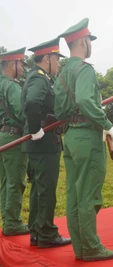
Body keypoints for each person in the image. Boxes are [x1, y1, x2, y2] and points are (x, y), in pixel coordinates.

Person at [53, 18, 113, 262]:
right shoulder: (84, 69)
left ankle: (81, 248)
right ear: (82, 41)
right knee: (89, 193)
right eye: (89, 40)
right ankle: (91, 247)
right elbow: (84, 100)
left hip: (69, 136)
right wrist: (107, 124)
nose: (90, 45)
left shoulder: (61, 73)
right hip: (87, 136)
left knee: (74, 193)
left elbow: (60, 110)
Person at [21, 38, 71, 248]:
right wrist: (36, 130)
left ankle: (36, 231)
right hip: (44, 143)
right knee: (46, 189)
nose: (58, 63)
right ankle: (47, 234)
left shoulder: (38, 78)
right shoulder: (39, 80)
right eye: (56, 59)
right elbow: (33, 102)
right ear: (48, 58)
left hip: (40, 143)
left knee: (38, 189)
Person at [0, 48, 29, 236]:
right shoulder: (12, 86)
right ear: (12, 65)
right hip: (13, 137)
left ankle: (6, 219)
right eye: (21, 64)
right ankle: (12, 223)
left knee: (4, 182)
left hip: (2, 136)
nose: (23, 69)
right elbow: (21, 112)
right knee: (16, 182)